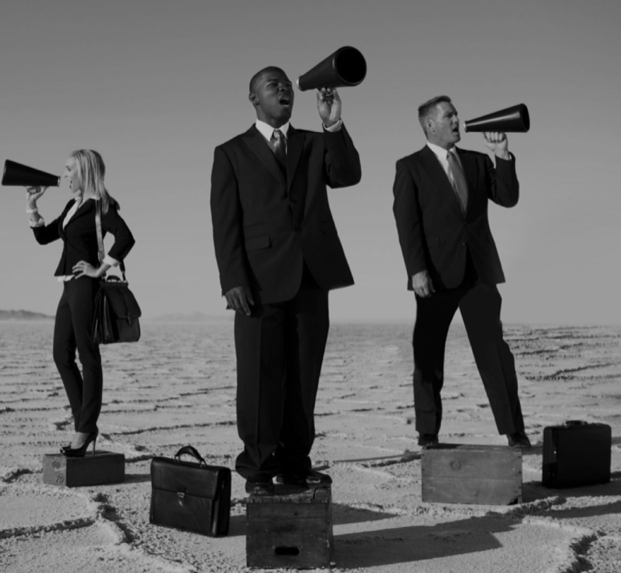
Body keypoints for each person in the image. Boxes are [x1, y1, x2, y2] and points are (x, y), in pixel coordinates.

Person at [210, 67, 361, 495]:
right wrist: (232, 279)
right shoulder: (231, 152)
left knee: (303, 376)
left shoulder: (315, 142)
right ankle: (258, 464)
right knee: (259, 377)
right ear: (253, 98)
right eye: (273, 85)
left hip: (312, 276)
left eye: (287, 85)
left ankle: (295, 462)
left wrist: (333, 122)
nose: (284, 89)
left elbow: (348, 175)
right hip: (256, 283)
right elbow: (225, 223)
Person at [392, 96, 530, 450]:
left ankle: (515, 432)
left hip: (479, 272)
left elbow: (509, 198)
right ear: (429, 125)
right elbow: (407, 224)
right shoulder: (410, 166)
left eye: (456, 114)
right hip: (435, 275)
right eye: (448, 115)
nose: (457, 120)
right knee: (428, 352)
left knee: (495, 353)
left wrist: (502, 155)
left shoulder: (478, 161)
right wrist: (416, 270)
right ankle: (428, 434)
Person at [25, 150, 134, 457]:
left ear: (85, 171)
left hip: (86, 287)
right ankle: (84, 424)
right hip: (68, 287)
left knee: (88, 357)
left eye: (70, 169)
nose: (65, 174)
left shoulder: (101, 206)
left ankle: (84, 429)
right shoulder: (73, 206)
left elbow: (126, 237)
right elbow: (45, 237)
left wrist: (100, 268)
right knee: (61, 353)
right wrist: (32, 206)